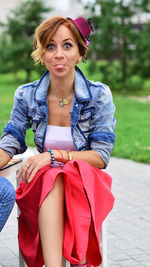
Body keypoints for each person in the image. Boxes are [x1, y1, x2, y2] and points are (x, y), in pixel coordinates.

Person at [0, 16, 116, 267]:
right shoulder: (27, 94)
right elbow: (12, 137)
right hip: (44, 180)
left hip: (86, 180)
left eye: (67, 45)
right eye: (50, 47)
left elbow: (101, 157)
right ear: (42, 55)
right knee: (52, 177)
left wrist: (54, 156)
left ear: (80, 52)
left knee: (62, 175)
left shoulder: (99, 95)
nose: (58, 54)